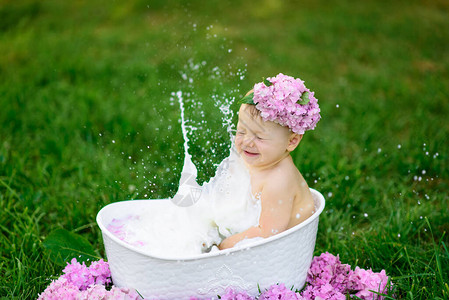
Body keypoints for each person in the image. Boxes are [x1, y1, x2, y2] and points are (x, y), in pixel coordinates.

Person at [218, 73, 321, 250]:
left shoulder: (278, 181)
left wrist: (224, 245)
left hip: (282, 253)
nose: (247, 142)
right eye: (241, 131)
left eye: (259, 137)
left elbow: (267, 235)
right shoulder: (260, 159)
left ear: (292, 141)